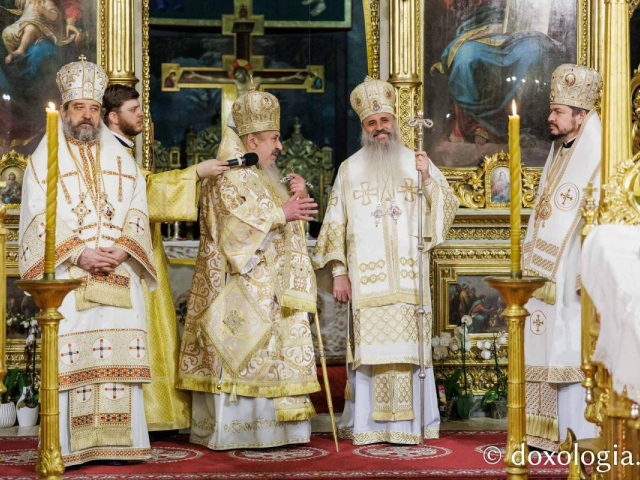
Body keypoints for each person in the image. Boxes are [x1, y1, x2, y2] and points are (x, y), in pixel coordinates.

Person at [18, 58, 157, 465]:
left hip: (119, 272)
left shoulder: (122, 158)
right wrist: (80, 252)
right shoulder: (43, 160)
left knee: (118, 362)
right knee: (74, 363)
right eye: (79, 107)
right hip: (70, 275)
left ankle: (123, 446)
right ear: (64, 111)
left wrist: (124, 248)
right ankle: (72, 448)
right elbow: (37, 214)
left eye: (94, 108)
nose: (87, 115)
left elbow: (139, 207)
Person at [313, 76, 459, 444]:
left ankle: (413, 424)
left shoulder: (417, 161)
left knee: (409, 352)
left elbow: (447, 208)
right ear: (363, 128)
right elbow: (334, 224)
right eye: (371, 123)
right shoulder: (349, 169)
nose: (380, 128)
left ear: (394, 121)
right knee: (372, 353)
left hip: (410, 279)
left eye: (385, 120)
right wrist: (340, 273)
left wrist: (429, 181)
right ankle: (370, 427)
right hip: (368, 282)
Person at [177, 85, 321, 450]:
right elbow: (232, 232)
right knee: (244, 354)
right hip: (238, 289)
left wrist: (297, 198)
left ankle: (274, 432)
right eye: (274, 138)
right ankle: (242, 431)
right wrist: (281, 213)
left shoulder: (259, 175)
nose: (280, 146)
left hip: (269, 291)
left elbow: (282, 226)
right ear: (252, 140)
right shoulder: (228, 175)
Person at [102, 84, 230, 434]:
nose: (141, 115)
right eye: (133, 110)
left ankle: (155, 413)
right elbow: (145, 192)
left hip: (141, 249)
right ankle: (148, 413)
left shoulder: (120, 151)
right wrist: (195, 173)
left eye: (140, 108)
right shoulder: (109, 153)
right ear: (112, 117)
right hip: (125, 256)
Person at [522, 64, 602, 451]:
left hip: (573, 275)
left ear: (580, 116)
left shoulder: (599, 154)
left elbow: (601, 217)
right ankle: (544, 431)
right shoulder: (560, 150)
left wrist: (586, 271)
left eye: (558, 111)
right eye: (552, 110)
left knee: (568, 345)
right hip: (547, 274)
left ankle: (577, 433)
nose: (550, 118)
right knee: (546, 342)